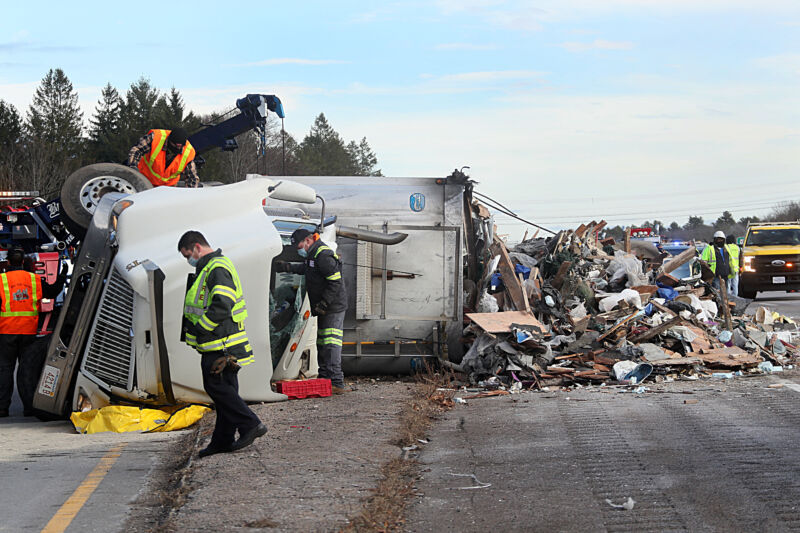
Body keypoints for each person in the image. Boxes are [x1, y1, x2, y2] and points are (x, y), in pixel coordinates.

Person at [178, 231, 266, 457]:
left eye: (188, 255)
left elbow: (223, 304)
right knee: (225, 389)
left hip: (221, 343)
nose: (188, 260)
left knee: (217, 388)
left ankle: (250, 424)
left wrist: (201, 328)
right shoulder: (210, 267)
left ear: (197, 247)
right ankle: (223, 440)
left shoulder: (216, 268)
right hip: (219, 343)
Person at [274, 229, 349, 393]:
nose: (298, 250)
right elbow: (307, 269)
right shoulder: (313, 255)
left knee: (331, 344)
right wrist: (288, 267)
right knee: (321, 343)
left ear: (308, 241)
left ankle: (336, 382)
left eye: (299, 245)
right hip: (324, 307)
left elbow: (335, 283)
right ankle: (325, 379)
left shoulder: (323, 255)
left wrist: (324, 302)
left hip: (333, 307)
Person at [0, 249, 67, 417]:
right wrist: (62, 275)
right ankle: (29, 407)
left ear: (8, 262)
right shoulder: (34, 279)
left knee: (5, 370)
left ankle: (2, 408)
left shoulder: (1, 280)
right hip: (28, 331)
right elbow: (52, 292)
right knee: (26, 371)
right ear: (23, 262)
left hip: (6, 331)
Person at [127, 127, 200, 188]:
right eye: (175, 146)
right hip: (144, 180)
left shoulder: (188, 152)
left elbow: (192, 178)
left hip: (167, 188)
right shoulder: (155, 138)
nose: (178, 148)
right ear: (169, 140)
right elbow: (137, 150)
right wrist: (133, 169)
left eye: (180, 147)